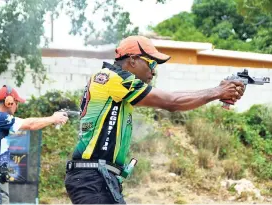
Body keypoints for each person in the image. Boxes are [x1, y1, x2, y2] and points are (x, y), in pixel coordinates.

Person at [64, 36, 245, 204]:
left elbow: (172, 97)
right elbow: (171, 102)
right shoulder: (114, 78)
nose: (153, 72)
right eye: (151, 64)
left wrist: (217, 90)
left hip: (97, 176)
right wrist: (218, 92)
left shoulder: (113, 81)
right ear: (132, 59)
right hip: (92, 176)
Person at [0, 85, 69, 204]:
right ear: (9, 102)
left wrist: (49, 122)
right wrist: (53, 118)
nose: (17, 106)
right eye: (16, 102)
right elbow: (30, 124)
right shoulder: (0, 117)